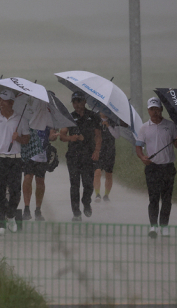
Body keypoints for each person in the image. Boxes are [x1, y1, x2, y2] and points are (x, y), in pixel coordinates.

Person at [136, 96, 177, 239]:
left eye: (157, 109)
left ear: (161, 109)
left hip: (168, 167)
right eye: (152, 109)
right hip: (152, 167)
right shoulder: (144, 128)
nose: (155, 112)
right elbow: (138, 146)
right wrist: (142, 157)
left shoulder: (170, 126)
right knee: (153, 198)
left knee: (166, 199)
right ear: (148, 110)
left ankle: (164, 226)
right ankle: (153, 226)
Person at [0, 90, 30, 236]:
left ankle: (10, 216)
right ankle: (0, 224)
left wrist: (18, 138)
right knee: (0, 192)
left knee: (15, 192)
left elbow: (27, 139)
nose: (1, 103)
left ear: (11, 102)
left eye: (4, 100)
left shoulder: (21, 119)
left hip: (15, 159)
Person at [59, 91, 102, 222]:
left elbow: (98, 136)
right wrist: (71, 138)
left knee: (88, 183)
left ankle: (86, 202)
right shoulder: (69, 117)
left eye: (79, 101)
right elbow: (62, 135)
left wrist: (97, 151)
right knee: (75, 184)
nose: (77, 104)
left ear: (84, 102)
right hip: (73, 156)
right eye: (74, 102)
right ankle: (76, 212)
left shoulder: (93, 116)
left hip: (88, 155)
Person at [22, 127, 59, 221]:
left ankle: (38, 210)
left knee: (40, 181)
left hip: (42, 156)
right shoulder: (29, 117)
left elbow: (51, 137)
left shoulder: (48, 119)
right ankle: (26, 208)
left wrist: (53, 137)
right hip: (29, 154)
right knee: (27, 178)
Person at [94, 112, 122, 203]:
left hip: (110, 150)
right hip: (98, 149)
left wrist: (108, 126)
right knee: (97, 171)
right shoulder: (95, 118)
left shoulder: (114, 120)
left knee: (108, 173)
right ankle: (97, 194)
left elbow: (117, 136)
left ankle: (106, 195)